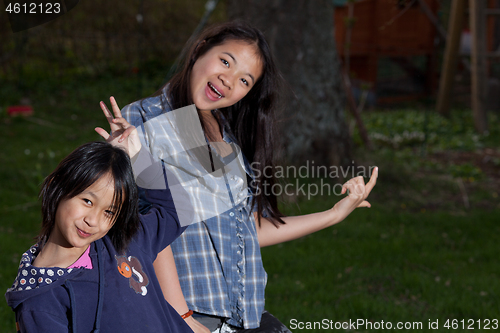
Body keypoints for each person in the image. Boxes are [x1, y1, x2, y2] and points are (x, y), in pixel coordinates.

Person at [122, 21, 378, 332]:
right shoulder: (145, 118)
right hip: (182, 316)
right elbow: (148, 226)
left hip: (239, 314)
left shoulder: (223, 132)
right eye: (225, 61)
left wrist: (334, 214)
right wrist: (184, 318)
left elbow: (242, 230)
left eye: (244, 80)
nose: (228, 81)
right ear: (200, 49)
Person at [5, 97, 194, 333]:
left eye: (109, 211)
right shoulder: (40, 303)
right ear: (57, 186)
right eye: (87, 201)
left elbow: (180, 209)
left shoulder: (126, 242)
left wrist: (138, 158)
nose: (93, 221)